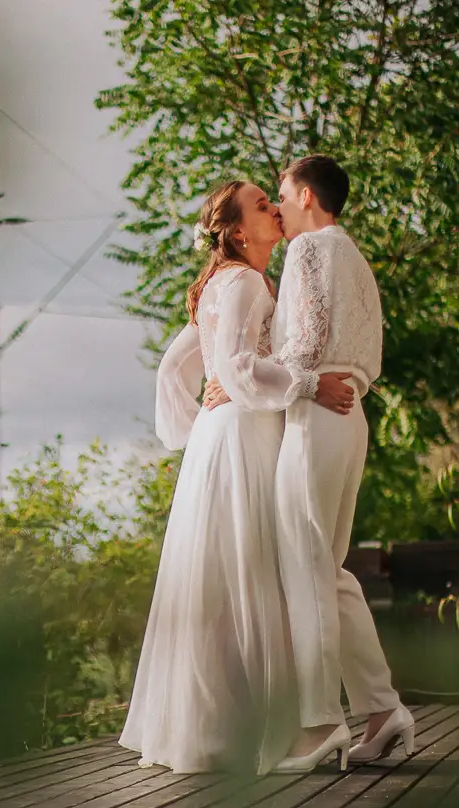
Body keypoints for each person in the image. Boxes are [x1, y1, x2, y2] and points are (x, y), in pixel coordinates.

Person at [119, 179, 358, 774]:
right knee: (255, 571)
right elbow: (233, 365)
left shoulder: (224, 286)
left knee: (226, 576)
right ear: (235, 232)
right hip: (242, 435)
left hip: (220, 435)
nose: (274, 210)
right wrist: (305, 383)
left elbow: (174, 370)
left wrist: (198, 421)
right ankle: (269, 728)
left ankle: (222, 724)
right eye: (260, 206)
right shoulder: (246, 282)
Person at [205, 155, 414, 771]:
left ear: (305, 195)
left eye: (281, 197)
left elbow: (306, 341)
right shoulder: (354, 256)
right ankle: (381, 710)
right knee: (328, 566)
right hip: (352, 415)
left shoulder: (309, 250)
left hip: (319, 410)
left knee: (304, 566)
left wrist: (279, 381)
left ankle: (322, 723)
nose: (278, 207)